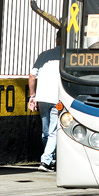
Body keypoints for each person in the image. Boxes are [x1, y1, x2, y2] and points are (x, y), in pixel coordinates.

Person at [28, 30, 61, 172]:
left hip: (41, 98)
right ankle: (46, 161)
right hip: (57, 98)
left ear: (56, 39)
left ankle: (50, 159)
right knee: (54, 132)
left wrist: (32, 95)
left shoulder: (44, 55)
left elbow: (31, 76)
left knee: (46, 131)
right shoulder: (67, 56)